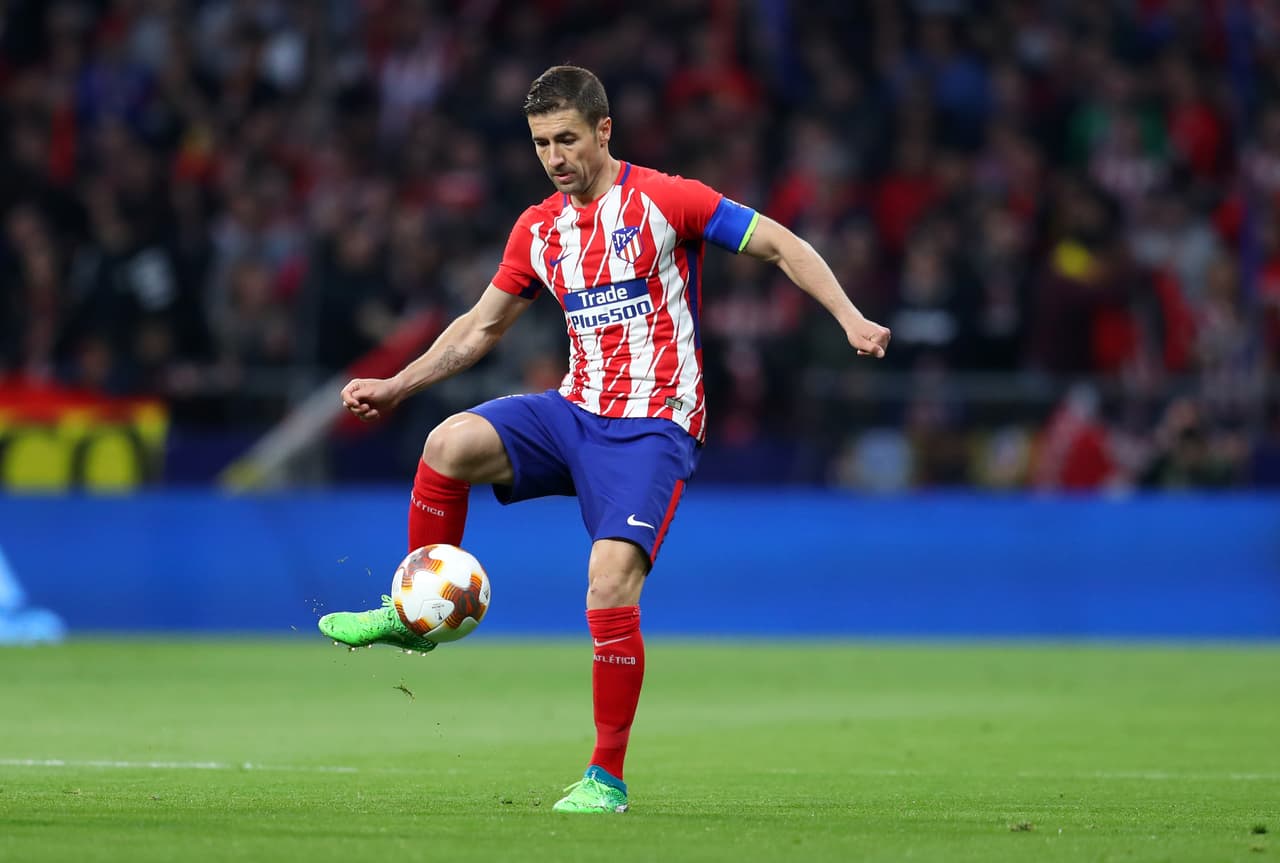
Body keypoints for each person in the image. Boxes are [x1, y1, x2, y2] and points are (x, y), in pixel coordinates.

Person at [318, 65, 891, 814]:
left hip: (653, 426)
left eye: (566, 139)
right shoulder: (539, 229)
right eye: (540, 144)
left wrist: (849, 316)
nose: (554, 158)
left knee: (609, 583)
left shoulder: (667, 200)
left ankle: (606, 778)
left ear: (603, 131)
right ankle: (413, 611)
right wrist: (397, 384)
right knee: (446, 444)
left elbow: (781, 244)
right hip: (574, 410)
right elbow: (479, 328)